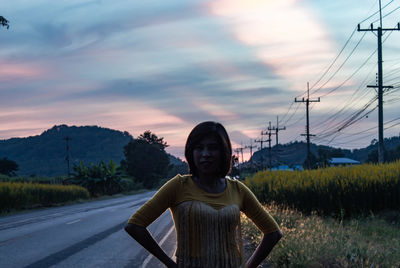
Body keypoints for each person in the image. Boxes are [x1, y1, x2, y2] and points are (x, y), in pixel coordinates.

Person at [125, 121, 282, 268]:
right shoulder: (179, 186)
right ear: (191, 152)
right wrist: (170, 264)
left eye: (213, 148)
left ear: (224, 152)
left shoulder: (237, 189)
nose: (205, 154)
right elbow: (135, 226)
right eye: (199, 148)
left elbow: (273, 233)